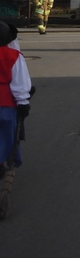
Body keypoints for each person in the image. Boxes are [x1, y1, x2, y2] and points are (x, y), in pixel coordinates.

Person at [0, 22, 32, 175]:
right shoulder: (14, 56)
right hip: (6, 103)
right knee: (6, 134)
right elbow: (19, 80)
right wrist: (23, 101)